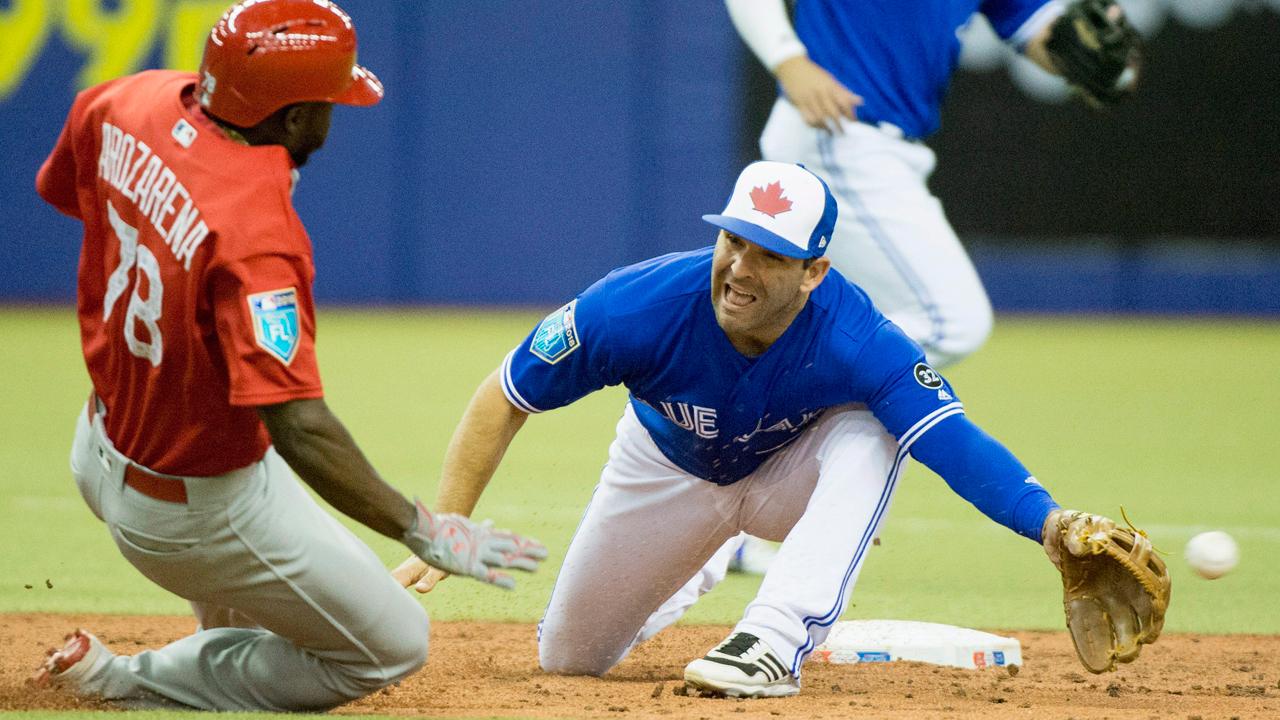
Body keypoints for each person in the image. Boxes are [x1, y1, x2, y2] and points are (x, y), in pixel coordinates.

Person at [391, 160, 1147, 698]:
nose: (740, 267)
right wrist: (448, 516)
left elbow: (948, 437)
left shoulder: (858, 336)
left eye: (771, 253)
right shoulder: (636, 307)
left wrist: (1049, 525)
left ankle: (775, 640)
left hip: (794, 475)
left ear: (814, 271)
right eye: (734, 239)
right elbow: (506, 394)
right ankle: (707, 556)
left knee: (878, 431)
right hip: (667, 467)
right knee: (568, 660)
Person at [29, 0, 546, 711]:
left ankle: (214, 633)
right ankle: (129, 680)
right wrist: (422, 529)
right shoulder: (256, 233)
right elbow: (297, 425)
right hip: (193, 511)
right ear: (295, 117)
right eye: (331, 100)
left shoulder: (123, 99)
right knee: (395, 644)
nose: (337, 115)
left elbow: (68, 194)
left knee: (265, 578)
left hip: (98, 444)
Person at [721, 0, 1142, 575]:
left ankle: (744, 503)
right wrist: (788, 58)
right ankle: (764, 447)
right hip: (839, 130)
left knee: (828, 323)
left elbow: (1035, 32)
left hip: (886, 148)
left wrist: (1089, 52)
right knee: (947, 320)